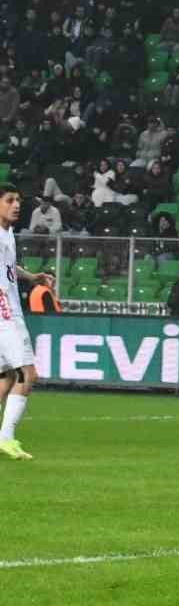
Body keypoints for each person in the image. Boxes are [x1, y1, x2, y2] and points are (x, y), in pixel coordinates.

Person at [0, 184, 55, 460]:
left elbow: (8, 268)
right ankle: (6, 438)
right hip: (5, 313)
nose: (16, 205)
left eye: (18, 200)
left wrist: (32, 277)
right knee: (27, 374)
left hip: (6, 311)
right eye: (10, 200)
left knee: (7, 377)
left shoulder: (7, 233)